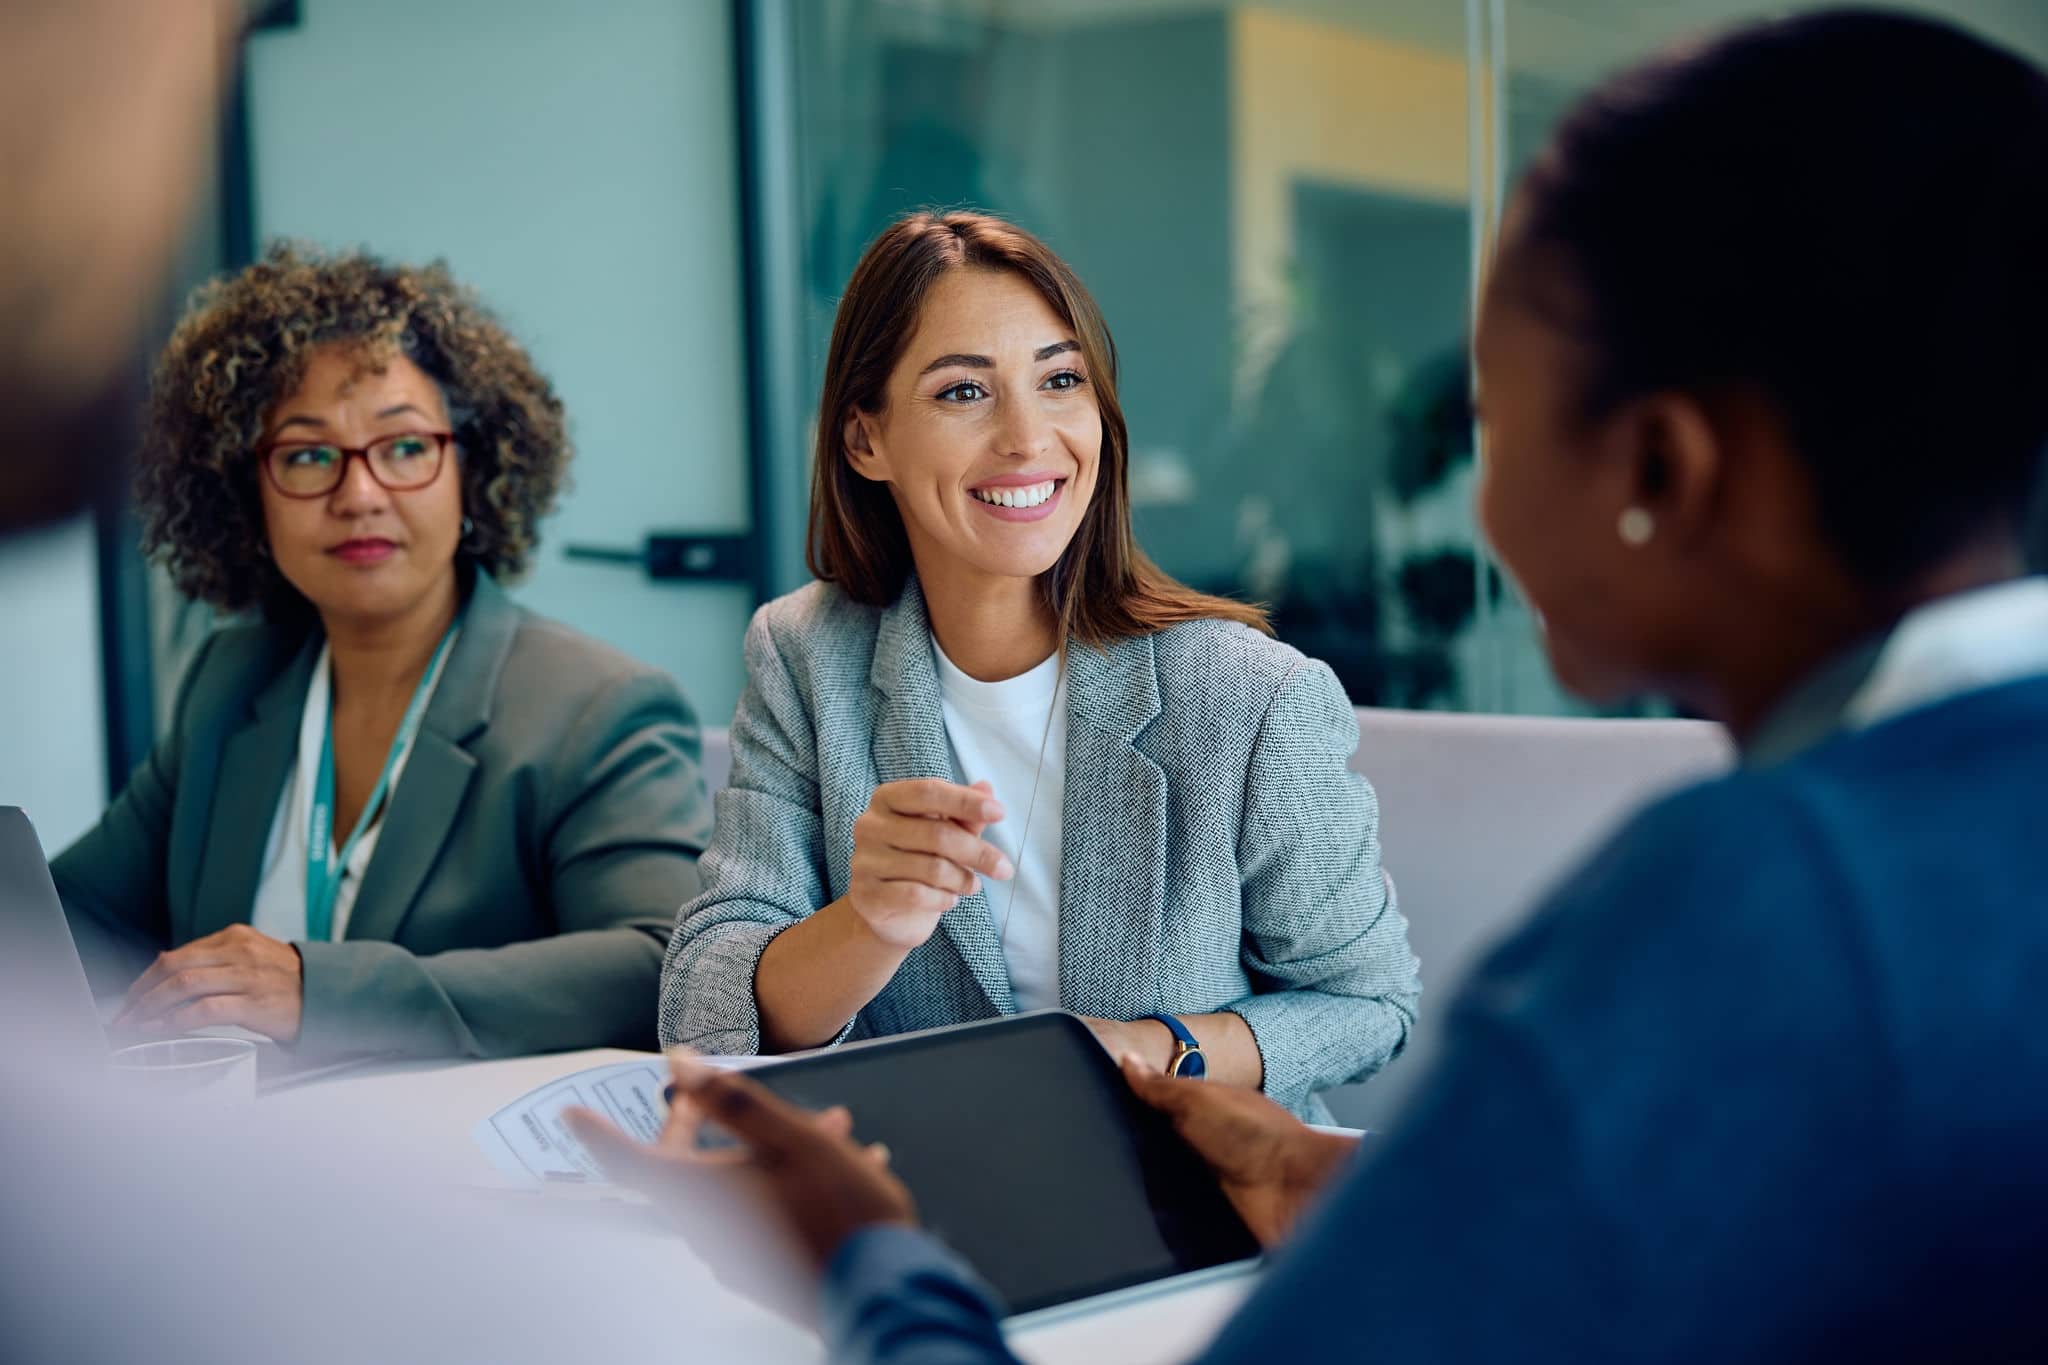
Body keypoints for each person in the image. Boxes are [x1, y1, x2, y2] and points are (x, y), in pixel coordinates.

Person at [578, 9, 2048, 1361]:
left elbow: (1378, 1032)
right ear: (867, 441)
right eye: (966, 388)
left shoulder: (1740, 908)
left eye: (1486, 404)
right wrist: (1323, 1173)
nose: (1456, 499)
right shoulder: (1951, 848)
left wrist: (862, 1246)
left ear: (1658, 467)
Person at [660, 211, 1418, 1120]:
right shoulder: (805, 654)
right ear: (866, 441)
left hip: (1184, 1199)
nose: (1028, 437)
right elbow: (703, 1014)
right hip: (927, 1193)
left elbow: (1370, 1005)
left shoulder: (1250, 696)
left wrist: (1151, 1049)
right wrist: (867, 923)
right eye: (962, 393)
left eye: (1060, 380)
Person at [52, 245, 713, 1060]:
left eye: (404, 448)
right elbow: (68, 918)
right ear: (243, 492)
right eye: (306, 455)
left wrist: (315, 989)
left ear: (471, 472)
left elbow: (665, 964)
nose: (358, 493)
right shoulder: (233, 682)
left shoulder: (595, 706)